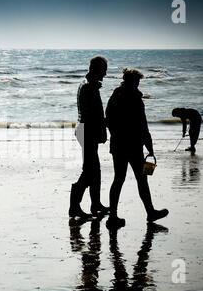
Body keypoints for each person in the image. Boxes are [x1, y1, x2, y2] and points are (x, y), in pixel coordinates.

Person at [105, 68, 168, 229]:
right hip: (133, 145)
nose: (139, 84)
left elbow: (108, 119)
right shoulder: (135, 98)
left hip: (118, 144)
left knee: (118, 179)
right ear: (133, 82)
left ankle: (113, 217)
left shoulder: (115, 95)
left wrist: (115, 136)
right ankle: (150, 212)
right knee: (142, 179)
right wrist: (150, 148)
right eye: (138, 81)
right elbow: (142, 125)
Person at [69, 56, 109, 218]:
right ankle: (74, 205)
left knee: (95, 170)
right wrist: (101, 131)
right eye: (104, 71)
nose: (105, 74)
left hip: (85, 130)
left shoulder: (89, 84)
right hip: (87, 131)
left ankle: (96, 204)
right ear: (96, 69)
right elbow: (92, 115)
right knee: (89, 171)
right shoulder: (88, 87)